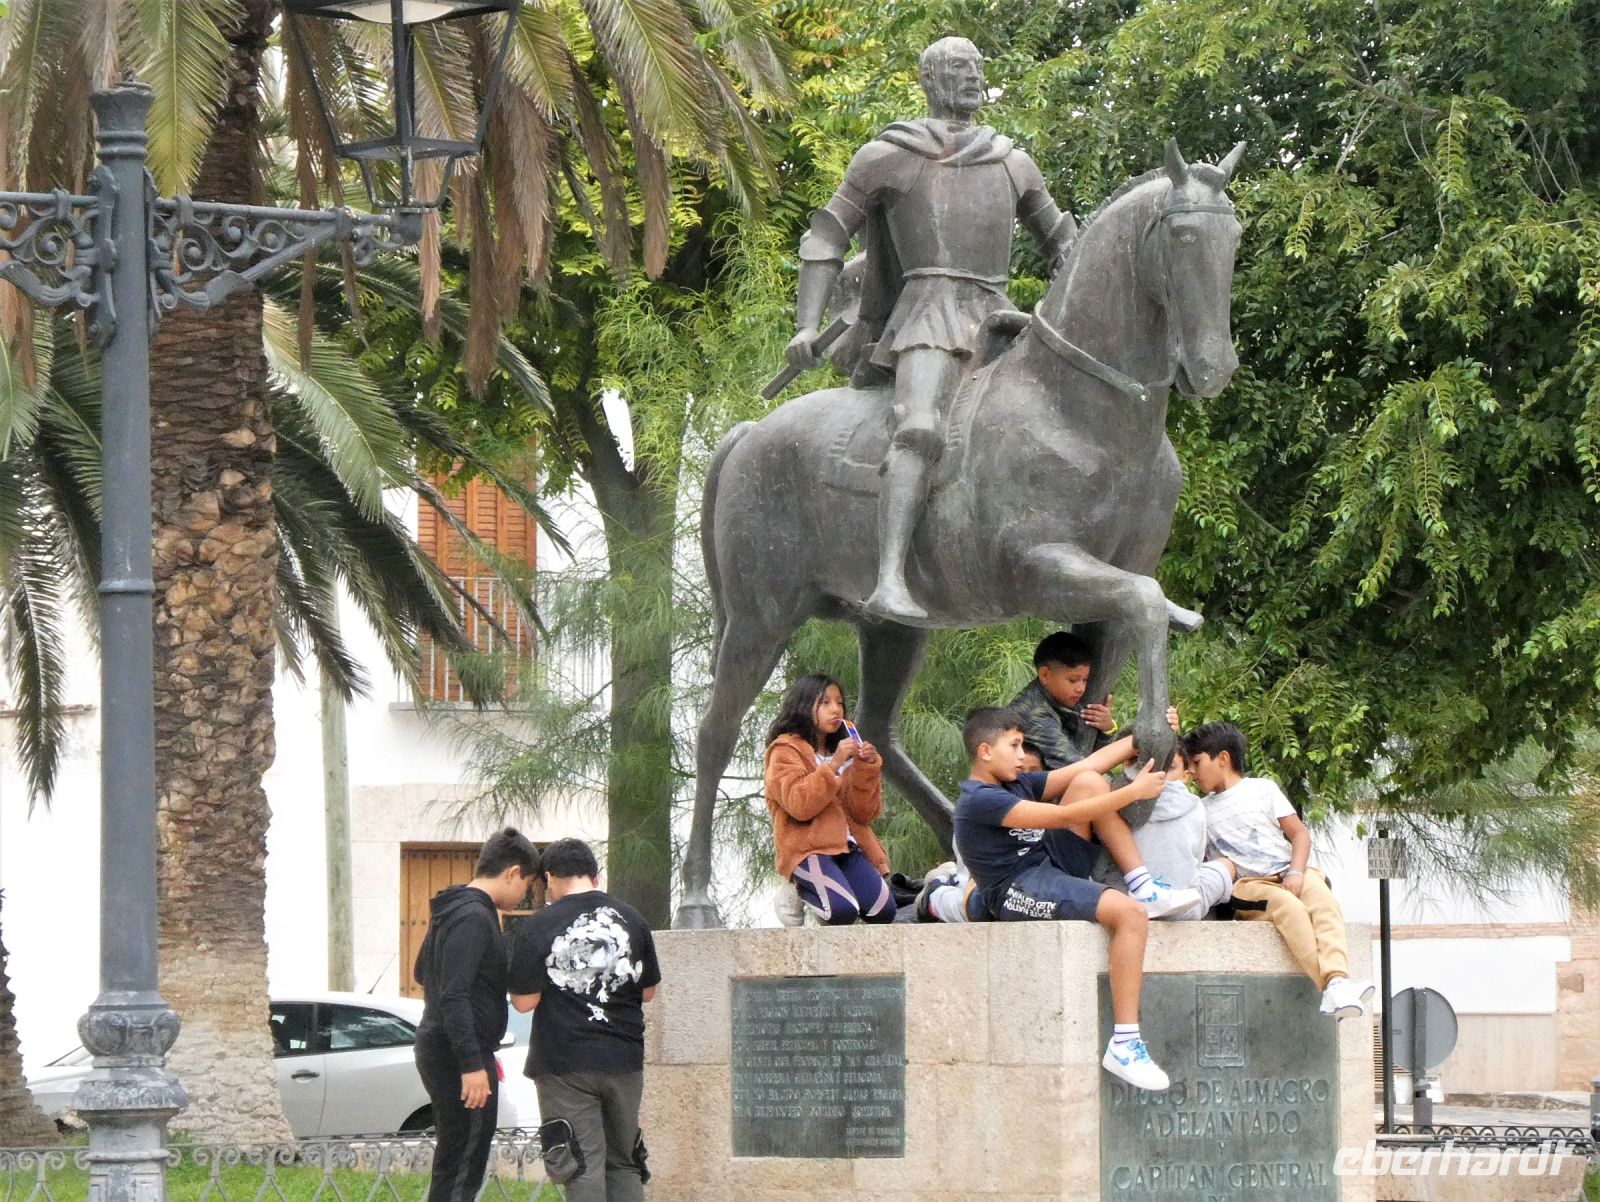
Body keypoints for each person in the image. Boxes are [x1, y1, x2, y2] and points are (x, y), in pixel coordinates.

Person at [786, 36, 1076, 622]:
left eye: (977, 68)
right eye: (957, 68)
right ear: (929, 79)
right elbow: (826, 235)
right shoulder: (889, 155)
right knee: (919, 426)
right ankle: (890, 577)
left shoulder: (1012, 161)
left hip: (1001, 318)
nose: (972, 77)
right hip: (927, 314)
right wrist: (807, 323)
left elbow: (1066, 247)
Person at [953, 707, 1174, 1090]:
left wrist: (1150, 734)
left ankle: (1141, 881)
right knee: (1130, 916)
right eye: (1015, 746)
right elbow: (1061, 817)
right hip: (1018, 889)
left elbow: (1088, 765)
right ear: (986, 751)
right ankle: (1124, 1043)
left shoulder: (1015, 783)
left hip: (1050, 862)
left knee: (1088, 779)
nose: (1023, 755)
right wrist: (1132, 793)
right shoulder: (978, 800)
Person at [1183, 721, 1375, 1017]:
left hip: (1288, 872)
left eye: (1197, 762)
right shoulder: (1200, 809)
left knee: (1324, 902)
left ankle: (1338, 980)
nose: (1192, 771)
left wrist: (1297, 872)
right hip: (1248, 886)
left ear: (1222, 758)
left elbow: (1299, 834)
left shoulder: (1263, 789)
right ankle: (1330, 987)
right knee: (1290, 908)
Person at [508, 838, 661, 1202]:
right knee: (624, 1162)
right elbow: (649, 991)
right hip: (624, 1062)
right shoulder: (632, 919)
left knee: (581, 1164)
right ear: (595, 875)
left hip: (566, 1064)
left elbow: (524, 1003)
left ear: (550, 877)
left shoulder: (540, 925)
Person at [1009, 631, 1196, 916]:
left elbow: (1091, 758)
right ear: (1045, 674)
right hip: (1040, 830)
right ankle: (1141, 886)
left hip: (1061, 818)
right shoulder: (1033, 713)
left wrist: (1109, 730)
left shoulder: (1061, 702)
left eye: (1085, 680)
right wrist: (1148, 736)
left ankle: (1143, 886)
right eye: (1073, 680)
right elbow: (1082, 769)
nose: (1081, 688)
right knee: (1093, 785)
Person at [413, 828, 538, 1202]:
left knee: (455, 1158)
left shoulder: (452, 909)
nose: (523, 897)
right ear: (513, 872)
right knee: (464, 1163)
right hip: (458, 1054)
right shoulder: (473, 917)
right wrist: (471, 1064)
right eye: (527, 886)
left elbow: (423, 972)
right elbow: (454, 994)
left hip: (440, 1045)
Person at [764, 673, 896, 925]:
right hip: (807, 849)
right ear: (803, 706)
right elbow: (799, 804)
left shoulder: (845, 752)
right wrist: (834, 764)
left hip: (846, 848)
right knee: (842, 911)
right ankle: (797, 889)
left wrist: (865, 769)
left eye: (839, 703)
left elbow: (864, 814)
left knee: (883, 912)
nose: (835, 709)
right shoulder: (784, 751)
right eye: (825, 703)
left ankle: (830, 888)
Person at [1091, 742, 1236, 920]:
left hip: (1122, 900)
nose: (1157, 773)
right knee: (1226, 865)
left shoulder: (1110, 797)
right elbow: (1195, 864)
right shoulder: (1196, 805)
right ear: (1186, 776)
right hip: (1181, 909)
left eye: (1167, 767)